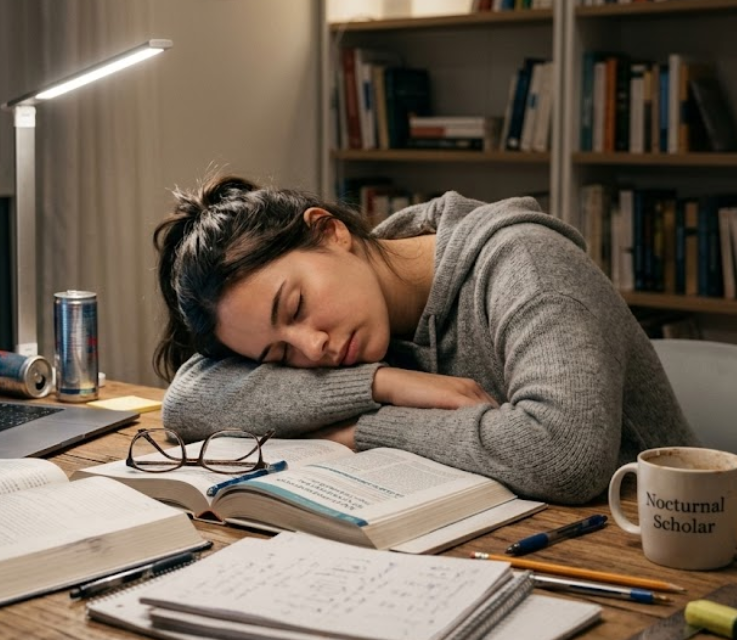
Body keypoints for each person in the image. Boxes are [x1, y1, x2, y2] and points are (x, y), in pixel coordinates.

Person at [152, 175, 697, 505]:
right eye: (279, 355)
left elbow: (564, 456)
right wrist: (384, 382)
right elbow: (187, 399)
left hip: (648, 546)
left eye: (295, 307)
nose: (311, 350)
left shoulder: (525, 263)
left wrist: (360, 428)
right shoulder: (364, 303)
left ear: (329, 230)